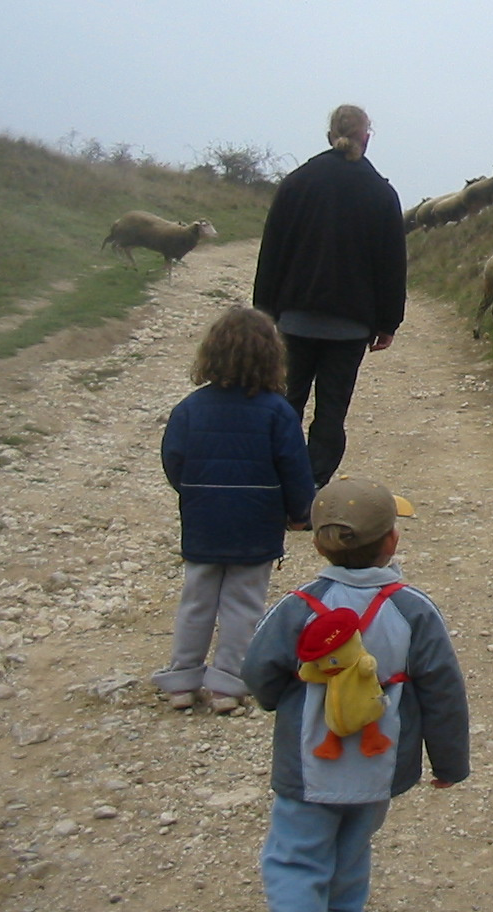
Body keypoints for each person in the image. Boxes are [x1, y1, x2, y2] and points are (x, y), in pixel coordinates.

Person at [243, 475, 470, 912]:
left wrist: (276, 698)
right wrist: (449, 762)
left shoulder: (298, 606)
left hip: (308, 764)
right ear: (392, 541)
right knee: (350, 857)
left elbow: (257, 670)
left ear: (318, 545)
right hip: (377, 767)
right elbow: (443, 692)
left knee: (295, 859)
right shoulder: (412, 609)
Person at [152, 306, 316, 715]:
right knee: (243, 602)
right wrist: (299, 513)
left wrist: (193, 492)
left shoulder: (190, 408)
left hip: (204, 520)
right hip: (256, 524)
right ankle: (228, 684)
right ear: (272, 358)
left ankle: (182, 682)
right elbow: (295, 468)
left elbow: (173, 459)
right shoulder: (278, 412)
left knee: (197, 600)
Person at [252, 104, 408, 487]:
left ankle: (278, 482)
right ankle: (310, 486)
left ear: (329, 135)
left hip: (293, 321)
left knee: (285, 403)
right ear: (366, 137)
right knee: (331, 411)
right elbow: (391, 263)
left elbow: (272, 252)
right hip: (349, 327)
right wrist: (388, 321)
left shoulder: (297, 183)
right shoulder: (381, 193)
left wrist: (263, 313)